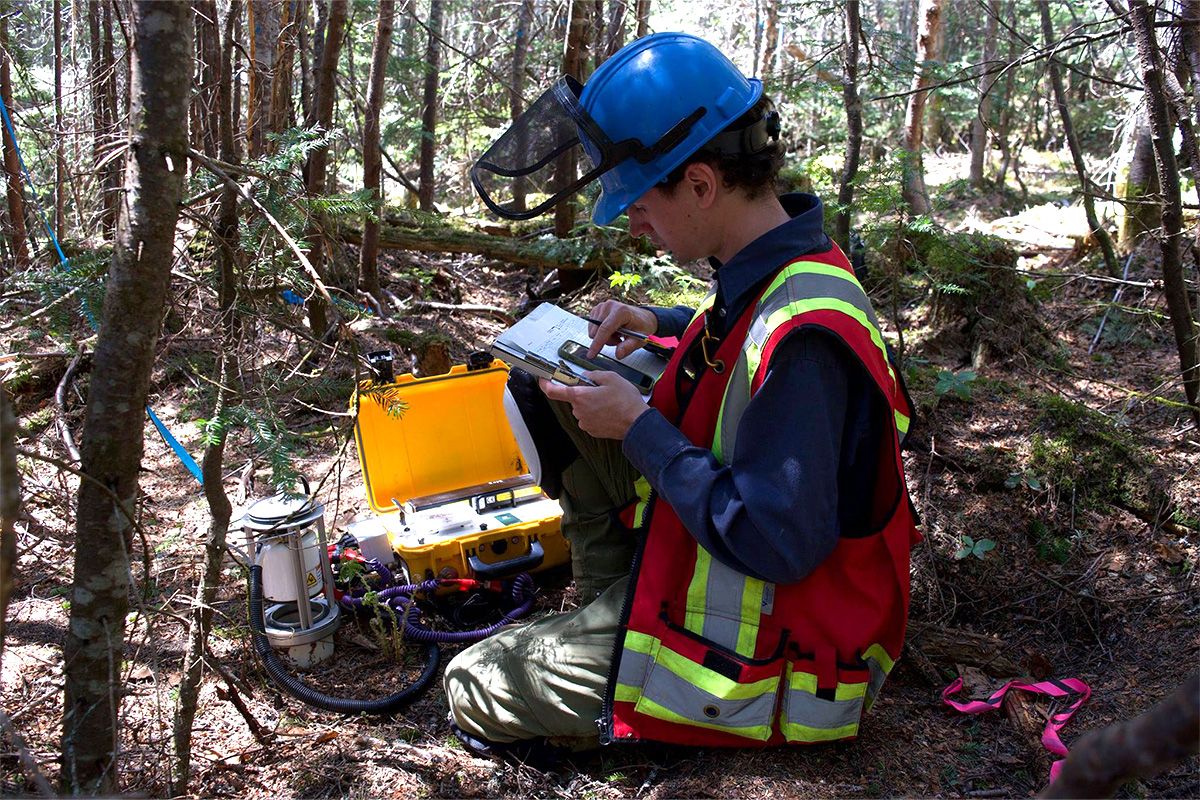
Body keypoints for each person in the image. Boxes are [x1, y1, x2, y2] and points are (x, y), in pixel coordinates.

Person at [444, 32, 920, 759]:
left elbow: (775, 541)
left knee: (470, 682)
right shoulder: (781, 260)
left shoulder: (805, 339)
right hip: (712, 565)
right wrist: (658, 322)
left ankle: (633, 693)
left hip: (769, 649)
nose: (629, 219)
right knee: (544, 387)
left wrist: (637, 427)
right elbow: (739, 332)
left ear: (701, 184)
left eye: (638, 199)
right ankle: (611, 603)